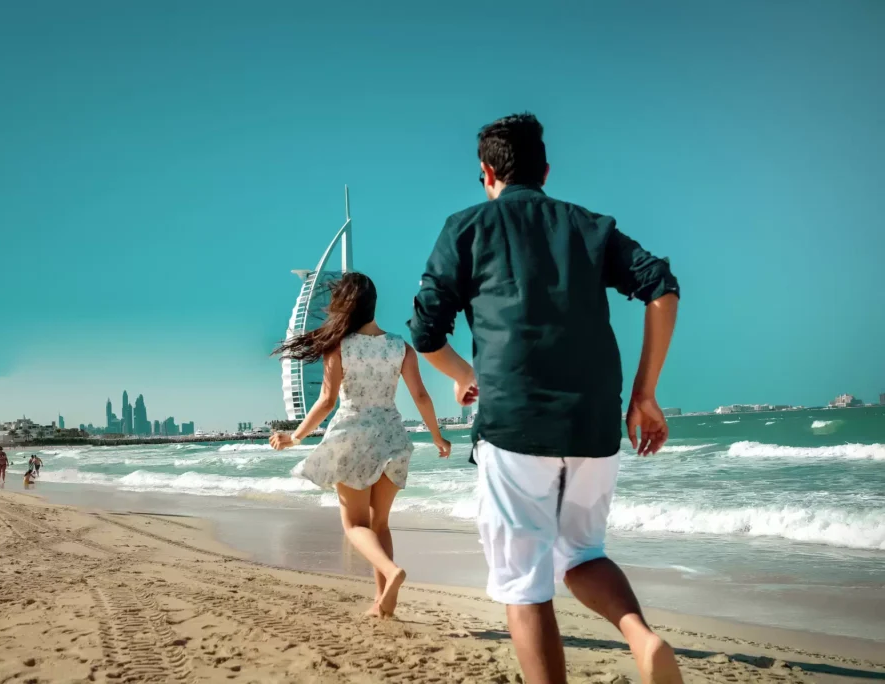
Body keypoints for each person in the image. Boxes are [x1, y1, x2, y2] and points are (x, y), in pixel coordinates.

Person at [408, 113, 682, 684]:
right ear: (546, 171)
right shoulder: (589, 225)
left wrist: (462, 373)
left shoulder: (466, 228)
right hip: (593, 423)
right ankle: (641, 636)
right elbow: (661, 285)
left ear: (487, 173)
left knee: (524, 585)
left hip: (513, 426)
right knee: (583, 553)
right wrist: (645, 393)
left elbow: (425, 331)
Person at [269, 273, 451, 618]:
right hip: (393, 437)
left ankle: (392, 575)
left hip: (352, 437)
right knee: (380, 524)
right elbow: (421, 396)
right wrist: (437, 436)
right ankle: (385, 604)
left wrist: (295, 437)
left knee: (354, 526)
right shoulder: (400, 346)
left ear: (344, 305)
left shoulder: (340, 346)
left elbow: (326, 401)